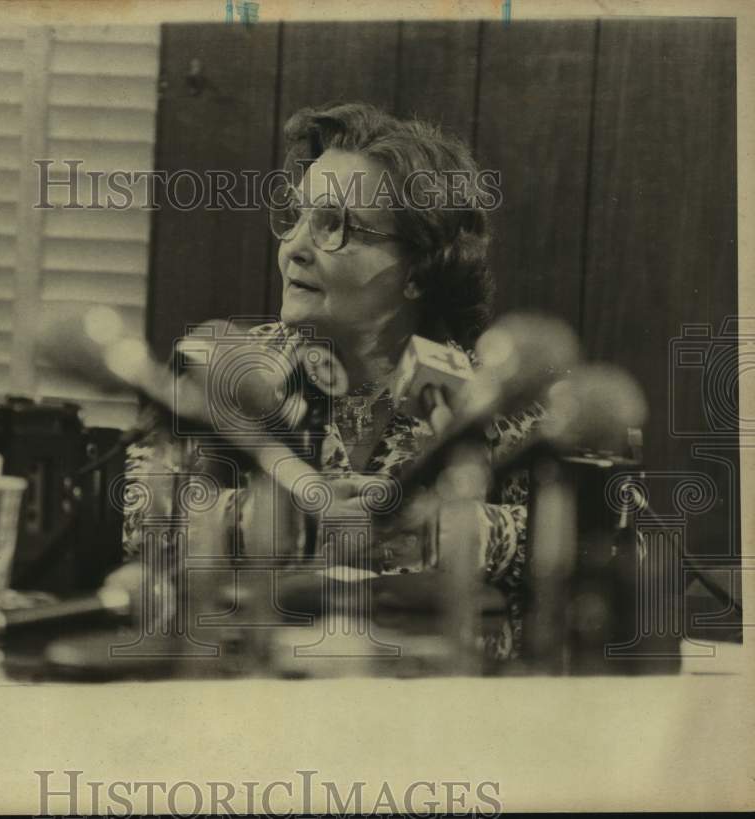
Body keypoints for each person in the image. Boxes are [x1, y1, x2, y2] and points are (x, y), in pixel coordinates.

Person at [120, 102, 543, 661]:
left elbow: (586, 542)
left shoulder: (491, 398)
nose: (294, 247)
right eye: (294, 218)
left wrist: (433, 532)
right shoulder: (223, 370)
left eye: (333, 227)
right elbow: (142, 524)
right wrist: (299, 516)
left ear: (419, 267)